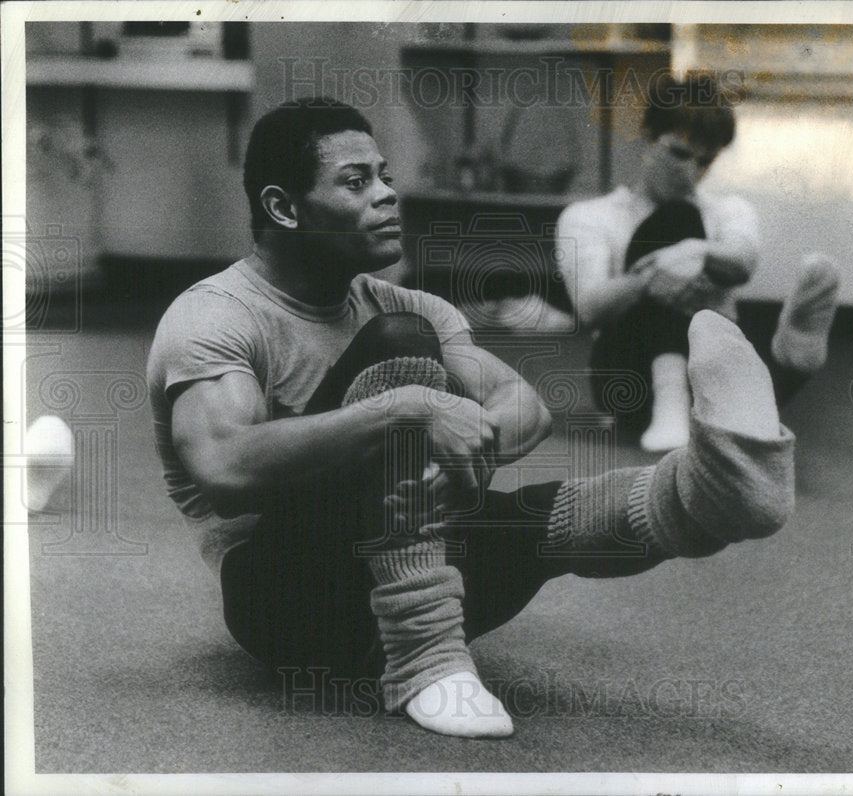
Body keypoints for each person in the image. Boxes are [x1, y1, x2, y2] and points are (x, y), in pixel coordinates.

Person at [147, 98, 796, 739]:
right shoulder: (218, 316)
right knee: (398, 345)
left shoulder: (414, 304)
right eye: (356, 181)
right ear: (283, 207)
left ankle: (711, 490)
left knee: (540, 515)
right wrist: (409, 409)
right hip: (289, 607)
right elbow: (222, 464)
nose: (386, 196)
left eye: (386, 178)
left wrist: (459, 455)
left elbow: (524, 409)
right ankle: (424, 656)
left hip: (407, 564)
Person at [556, 73, 840, 451]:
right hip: (627, 377)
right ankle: (684, 396)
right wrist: (653, 274)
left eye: (704, 162)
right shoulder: (590, 216)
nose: (689, 173)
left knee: (688, 233)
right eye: (679, 153)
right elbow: (590, 307)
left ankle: (793, 356)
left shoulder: (726, 209)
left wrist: (695, 251)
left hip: (711, 368)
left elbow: (744, 260)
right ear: (647, 137)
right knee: (675, 219)